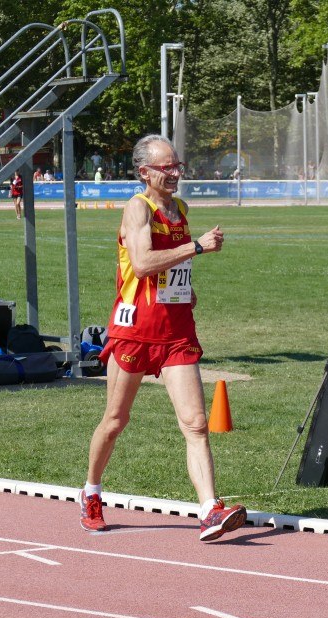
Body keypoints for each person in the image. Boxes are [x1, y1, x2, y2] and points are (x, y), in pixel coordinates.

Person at [80, 133, 247, 541]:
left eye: (178, 166)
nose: (175, 173)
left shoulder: (181, 208)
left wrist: (184, 287)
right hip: (136, 330)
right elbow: (141, 264)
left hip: (175, 331)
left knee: (195, 423)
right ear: (144, 172)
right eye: (166, 167)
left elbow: (174, 268)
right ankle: (91, 491)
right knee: (116, 421)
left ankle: (209, 509)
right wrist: (198, 247)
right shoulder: (138, 209)